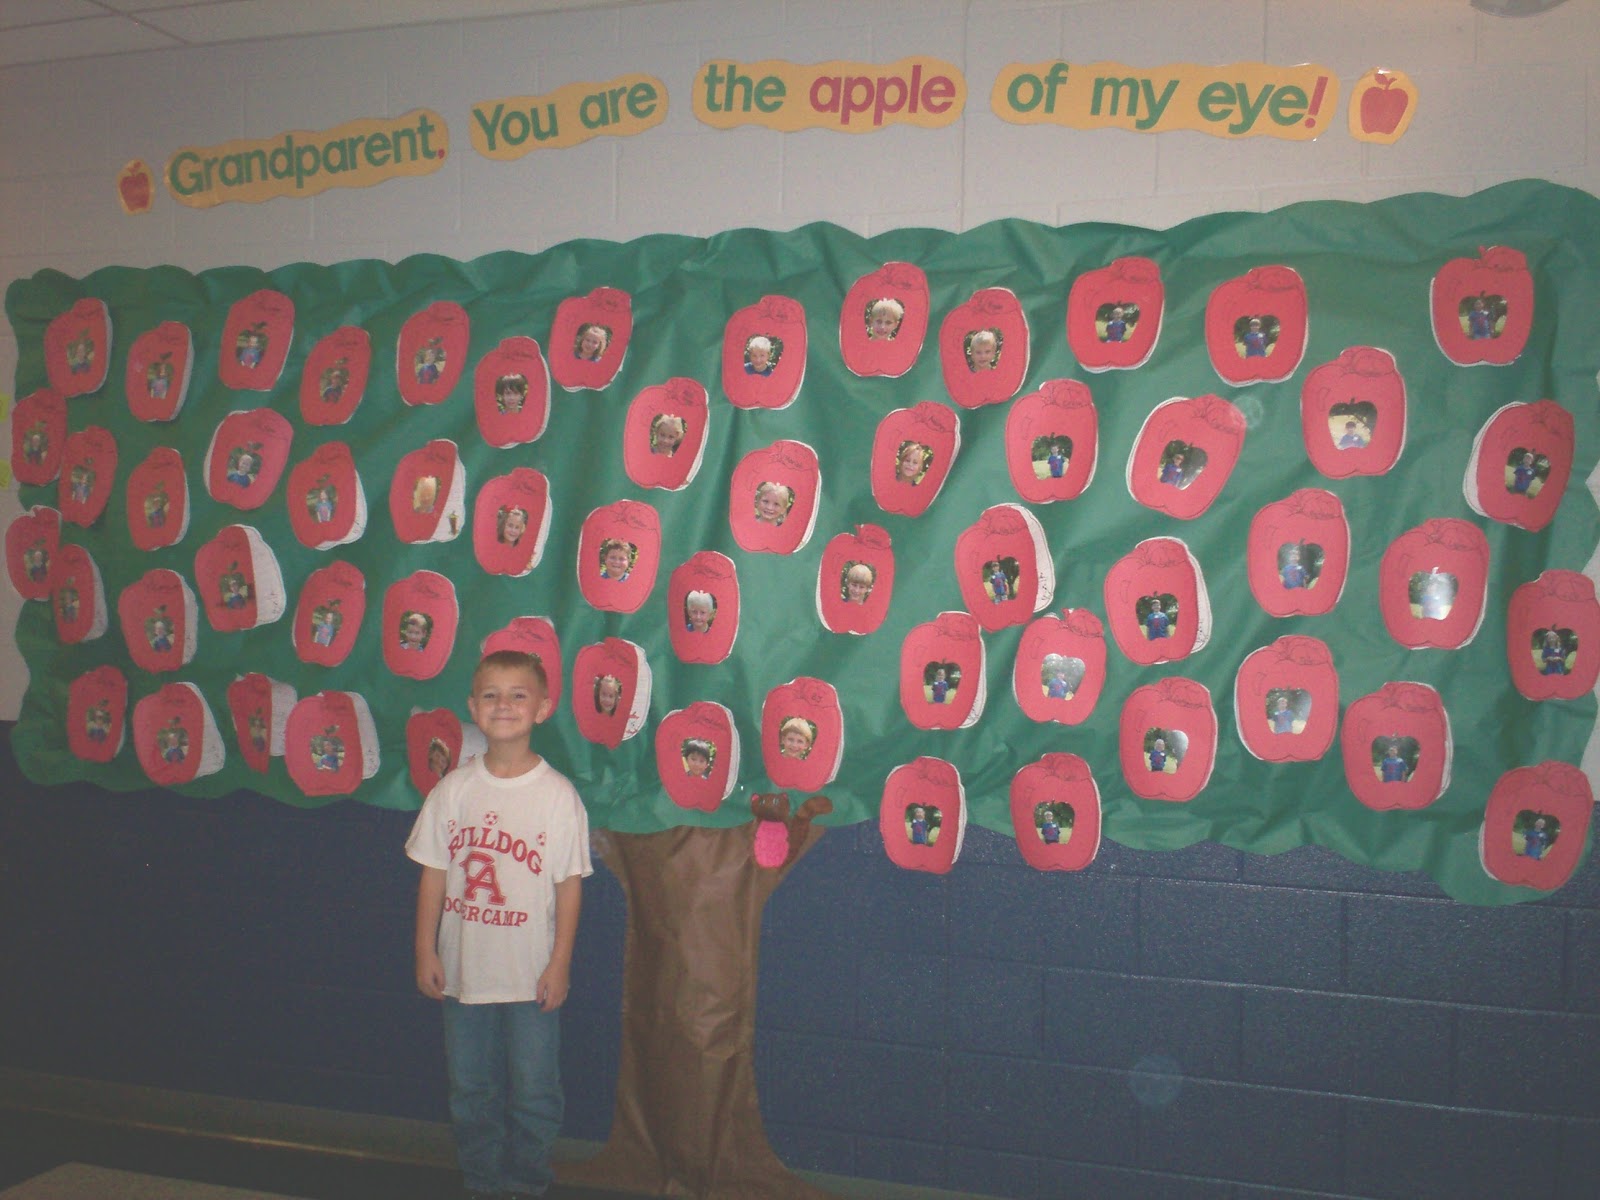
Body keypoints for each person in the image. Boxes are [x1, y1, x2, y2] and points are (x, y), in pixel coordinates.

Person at [407, 650, 592, 1200]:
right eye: (490, 694)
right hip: (464, 975)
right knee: (470, 1090)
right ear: (472, 707)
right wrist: (424, 950)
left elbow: (569, 887)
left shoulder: (557, 797)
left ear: (543, 707)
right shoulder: (454, 790)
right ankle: (483, 1184)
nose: (504, 705)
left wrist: (560, 964)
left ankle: (528, 1185)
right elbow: (433, 876)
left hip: (530, 976)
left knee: (535, 1093)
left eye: (518, 694)